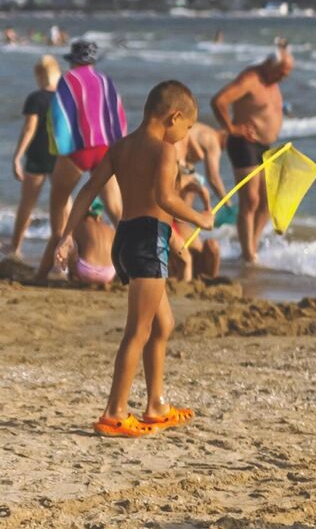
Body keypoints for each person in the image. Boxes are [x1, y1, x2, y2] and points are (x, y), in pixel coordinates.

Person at [48, 80, 213, 437]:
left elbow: (89, 190)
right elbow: (165, 199)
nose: (183, 137)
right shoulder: (165, 150)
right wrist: (201, 218)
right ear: (175, 116)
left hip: (127, 239)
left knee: (162, 324)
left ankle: (156, 405)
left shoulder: (120, 147)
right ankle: (114, 412)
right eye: (185, 130)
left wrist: (66, 235)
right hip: (147, 242)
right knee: (137, 331)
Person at [34, 40, 127, 279]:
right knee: (116, 211)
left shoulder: (68, 79)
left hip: (79, 149)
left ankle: (57, 263)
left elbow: (58, 114)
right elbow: (118, 115)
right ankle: (133, 266)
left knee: (59, 202)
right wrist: (119, 148)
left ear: (73, 60)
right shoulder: (106, 81)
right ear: (93, 61)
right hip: (106, 149)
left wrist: (59, 149)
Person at [208, 50, 290, 264]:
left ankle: (251, 248)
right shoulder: (250, 79)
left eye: (287, 74)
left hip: (265, 145)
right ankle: (247, 253)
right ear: (270, 65)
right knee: (250, 200)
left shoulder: (272, 81)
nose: (284, 77)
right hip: (244, 144)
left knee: (267, 203)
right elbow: (219, 101)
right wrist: (231, 128)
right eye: (282, 72)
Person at [9, 54, 60, 259]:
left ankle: (16, 249)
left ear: (40, 75)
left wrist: (17, 156)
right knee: (64, 205)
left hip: (38, 156)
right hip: (61, 156)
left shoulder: (35, 98)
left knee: (27, 205)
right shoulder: (65, 98)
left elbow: (29, 128)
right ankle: (65, 251)